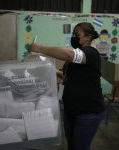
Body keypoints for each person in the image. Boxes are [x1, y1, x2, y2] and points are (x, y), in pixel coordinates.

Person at [29, 22, 105, 150]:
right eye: (73, 34)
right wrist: (51, 70)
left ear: (88, 36)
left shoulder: (91, 53)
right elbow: (67, 77)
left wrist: (39, 48)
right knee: (72, 146)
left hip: (87, 112)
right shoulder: (78, 54)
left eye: (77, 34)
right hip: (71, 109)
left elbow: (69, 55)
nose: (74, 37)